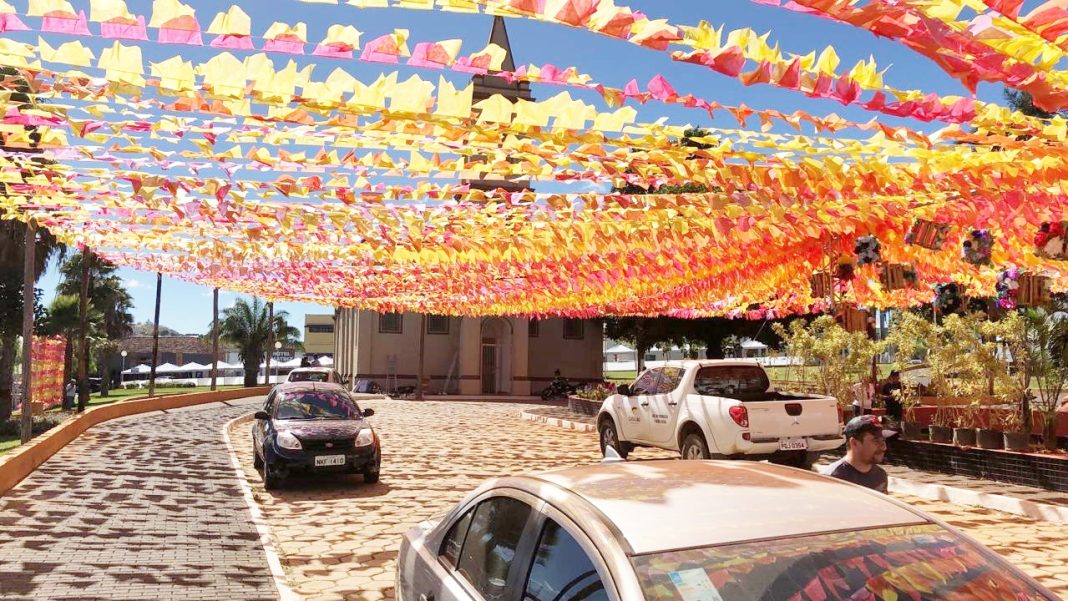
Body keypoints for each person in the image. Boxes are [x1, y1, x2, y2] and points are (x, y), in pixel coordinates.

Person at [823, 415, 897, 494]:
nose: (884, 447)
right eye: (876, 440)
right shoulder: (832, 479)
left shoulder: (880, 476)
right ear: (854, 443)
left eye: (883, 440)